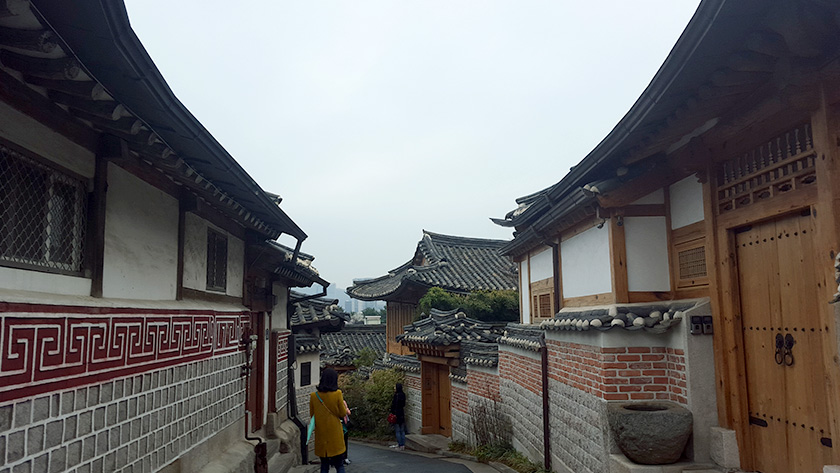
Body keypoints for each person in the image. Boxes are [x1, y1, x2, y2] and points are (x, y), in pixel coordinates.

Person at [310, 368, 346, 473]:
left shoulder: (314, 396)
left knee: (324, 465)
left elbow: (312, 415)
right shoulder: (338, 394)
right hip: (335, 434)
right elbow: (342, 413)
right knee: (339, 465)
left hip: (321, 435)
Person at [389, 383, 406, 450]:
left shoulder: (396, 395)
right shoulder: (403, 395)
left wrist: (392, 412)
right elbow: (403, 404)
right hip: (401, 413)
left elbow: (394, 405)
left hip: (396, 414)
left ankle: (400, 445)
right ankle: (403, 445)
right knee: (402, 430)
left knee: (397, 430)